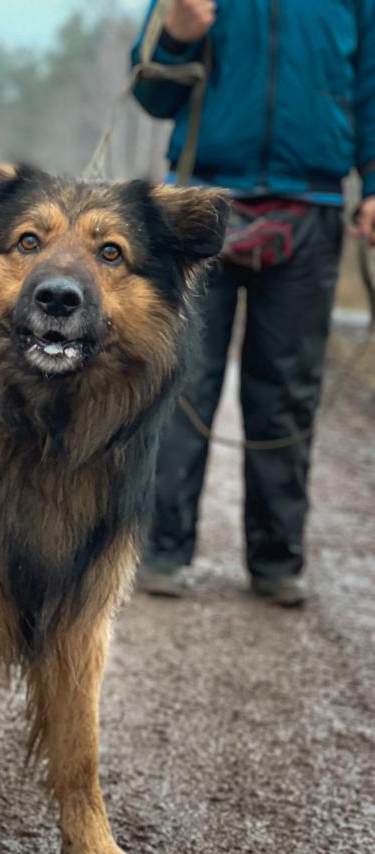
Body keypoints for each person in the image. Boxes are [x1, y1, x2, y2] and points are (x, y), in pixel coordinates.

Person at [131, 0, 375, 607]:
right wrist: (177, 35)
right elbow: (150, 93)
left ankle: (276, 559)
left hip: (311, 203)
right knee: (179, 383)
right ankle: (160, 549)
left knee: (287, 393)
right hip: (199, 202)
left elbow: (372, 85)